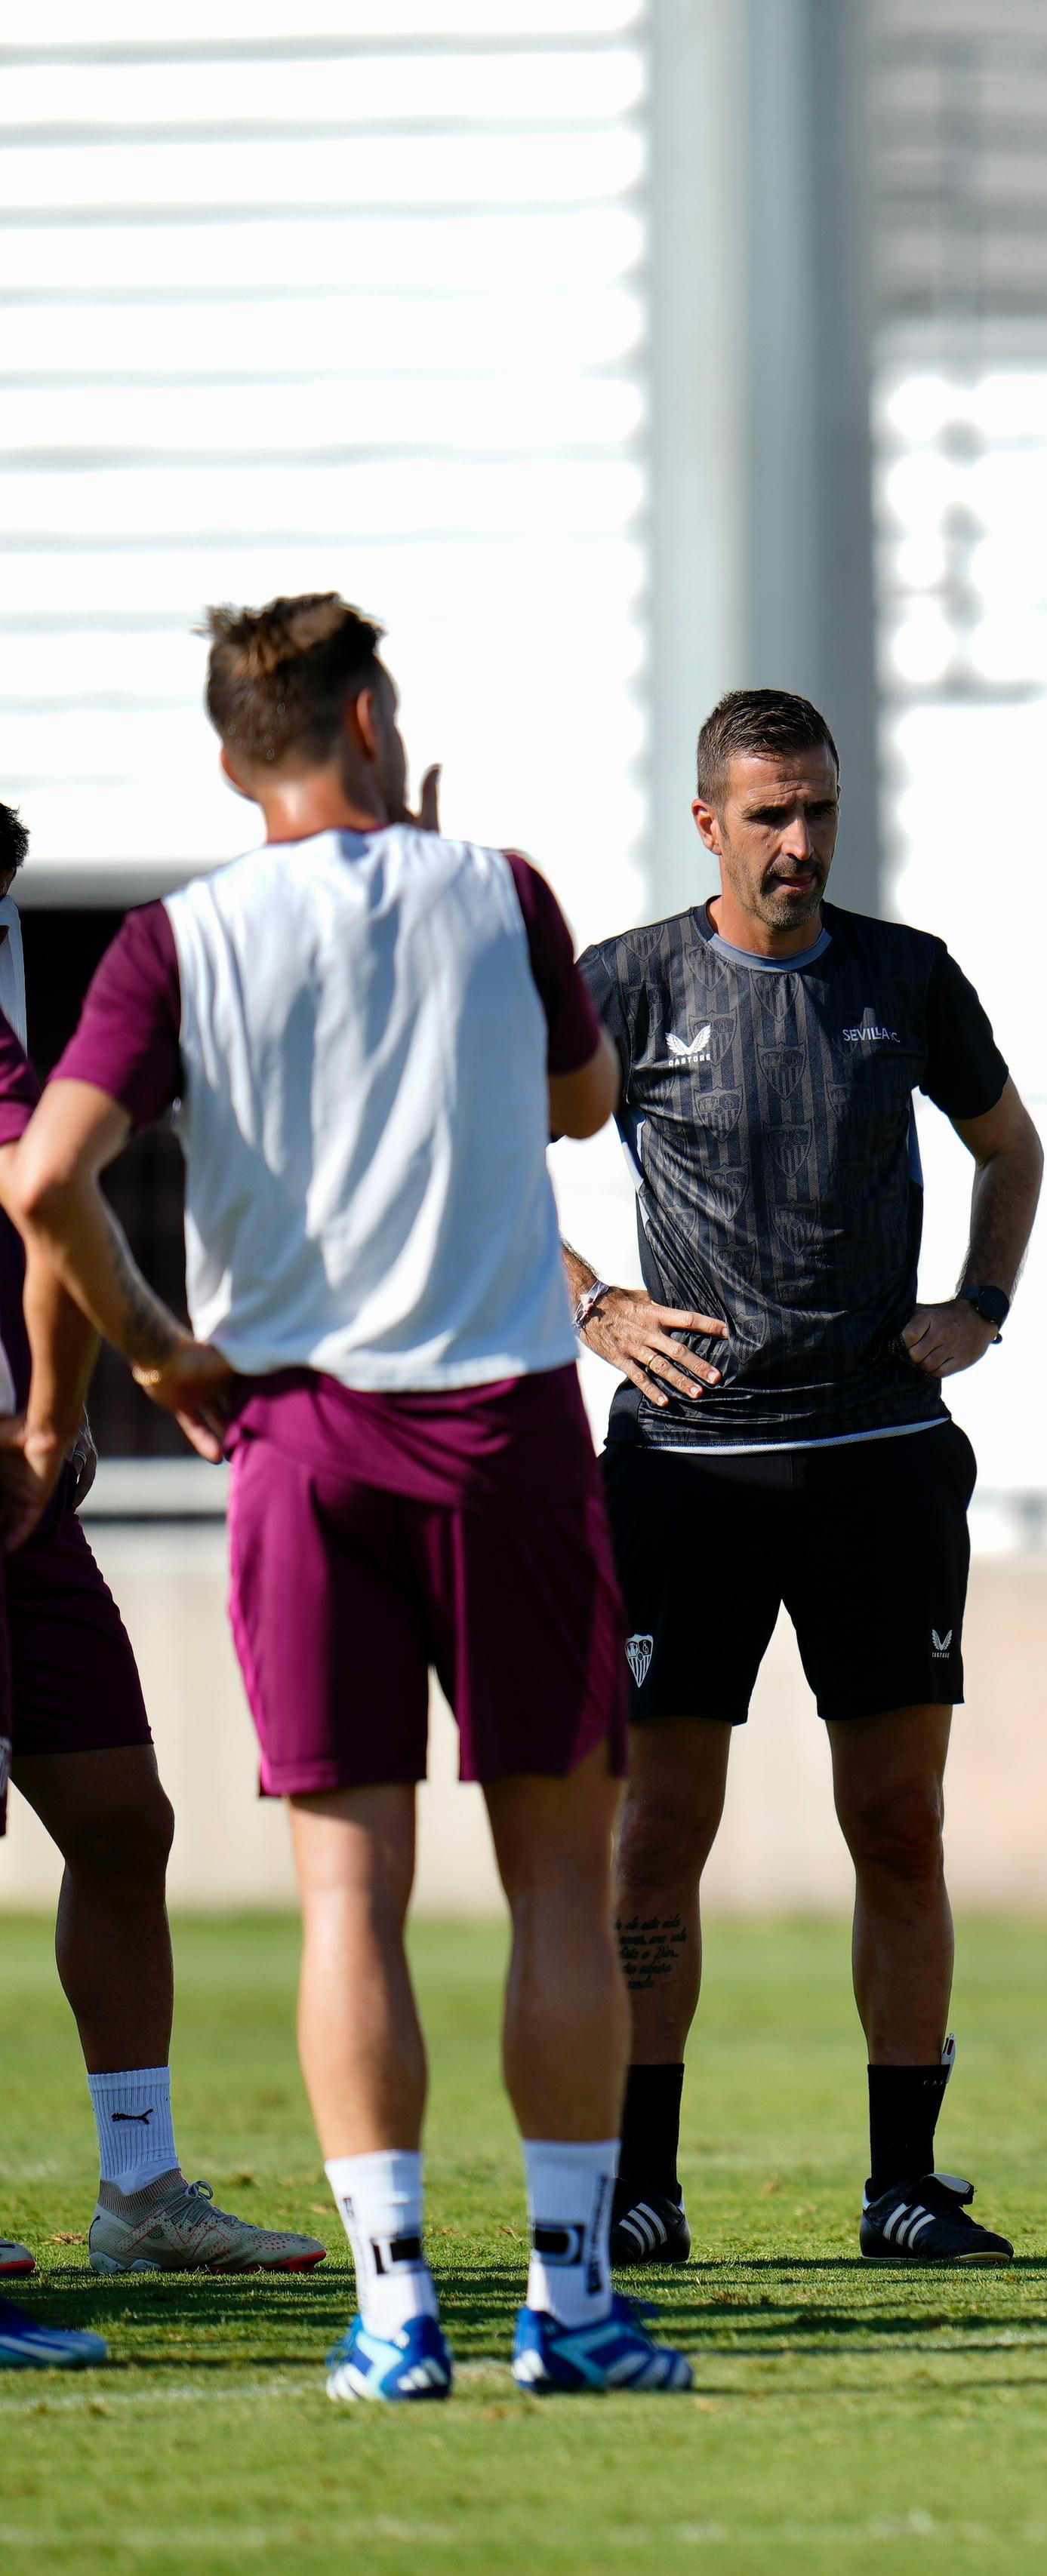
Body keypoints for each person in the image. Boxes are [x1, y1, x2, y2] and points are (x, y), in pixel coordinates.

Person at [3, 594, 692, 2396]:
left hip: (299, 1447)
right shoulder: (501, 893)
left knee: (344, 1900)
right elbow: (583, 1099)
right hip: (502, 1435)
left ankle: (395, 2316)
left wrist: (150, 1348)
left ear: (236, 760)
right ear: (373, 718)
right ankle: (570, 2307)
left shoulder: (174, 940)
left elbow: (48, 1179)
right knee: (555, 1881)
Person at [559, 688, 1044, 2273]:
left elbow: (1011, 1148)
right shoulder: (625, 983)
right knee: (655, 1840)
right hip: (686, 1473)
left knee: (898, 1825)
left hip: (882, 1464)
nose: (798, 842)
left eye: (818, 810)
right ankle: (642, 2185)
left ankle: (905, 2185)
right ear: (707, 821)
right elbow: (485, 1152)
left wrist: (979, 1309)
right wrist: (591, 1306)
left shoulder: (905, 976)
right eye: (768, 813)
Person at [0, 801, 328, 2287]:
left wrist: (49, 1411)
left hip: (17, 1499)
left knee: (124, 1825)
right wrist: (147, 1357)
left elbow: (44, 1209)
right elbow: (48, 1196)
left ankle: (139, 2191)